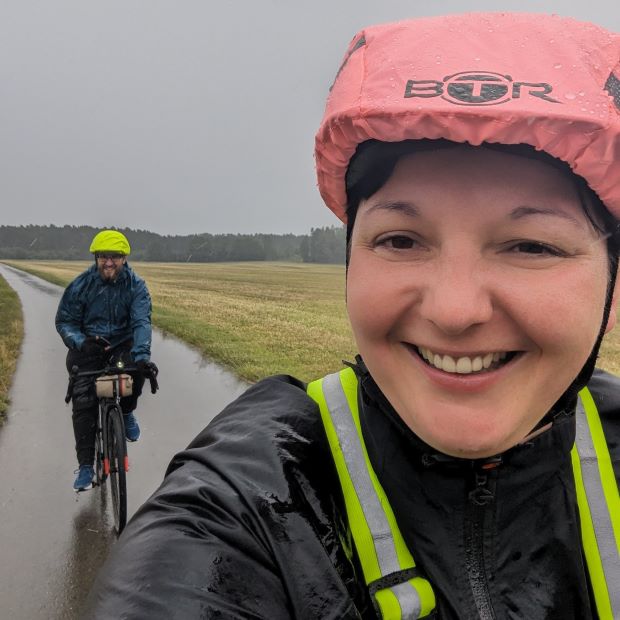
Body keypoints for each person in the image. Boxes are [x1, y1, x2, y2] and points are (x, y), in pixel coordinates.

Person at [85, 13, 619, 619]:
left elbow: (138, 317)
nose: (454, 310)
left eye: (531, 246)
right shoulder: (252, 491)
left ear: (613, 281)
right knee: (86, 400)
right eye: (400, 240)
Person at [56, 229, 158, 492]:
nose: (109, 262)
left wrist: (143, 357)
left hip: (122, 344)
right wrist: (81, 343)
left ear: (124, 258)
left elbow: (141, 322)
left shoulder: (136, 286)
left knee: (135, 370)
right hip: (89, 346)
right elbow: (65, 321)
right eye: (103, 257)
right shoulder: (81, 285)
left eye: (115, 257)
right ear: (96, 258)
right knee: (84, 398)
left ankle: (126, 411)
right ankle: (87, 466)